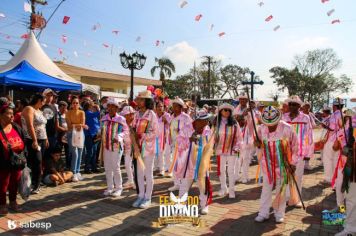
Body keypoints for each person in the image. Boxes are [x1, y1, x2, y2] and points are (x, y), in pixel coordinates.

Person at [254, 106, 299, 223]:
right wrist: (257, 143)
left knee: (281, 189)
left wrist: (293, 163)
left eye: (273, 123)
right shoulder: (261, 128)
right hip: (267, 164)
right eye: (268, 123)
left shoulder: (287, 129)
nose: (270, 125)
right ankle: (263, 213)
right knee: (266, 189)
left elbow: (295, 147)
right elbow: (258, 144)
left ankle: (279, 213)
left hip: (283, 165)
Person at [180, 109, 213, 215]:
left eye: (207, 119)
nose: (206, 122)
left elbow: (211, 145)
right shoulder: (186, 129)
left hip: (202, 162)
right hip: (188, 162)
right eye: (204, 120)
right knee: (184, 184)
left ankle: (204, 205)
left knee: (202, 184)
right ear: (197, 121)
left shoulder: (208, 130)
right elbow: (178, 143)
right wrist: (189, 140)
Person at [282, 95, 313, 208]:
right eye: (290, 104)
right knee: (285, 175)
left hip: (300, 152)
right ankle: (285, 198)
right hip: (285, 152)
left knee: (298, 176)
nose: (292, 106)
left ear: (299, 106)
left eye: (295, 104)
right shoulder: (283, 117)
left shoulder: (305, 118)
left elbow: (309, 135)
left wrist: (308, 153)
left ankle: (296, 199)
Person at [131, 91, 158, 209]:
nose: (139, 101)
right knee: (139, 173)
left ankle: (148, 197)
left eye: (141, 99)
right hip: (137, 147)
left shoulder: (151, 114)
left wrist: (142, 136)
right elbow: (133, 128)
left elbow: (156, 132)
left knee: (148, 173)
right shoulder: (136, 114)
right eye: (138, 99)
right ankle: (140, 195)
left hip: (148, 148)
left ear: (147, 101)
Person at [0, 98, 25, 215]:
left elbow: (24, 142)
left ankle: (13, 201)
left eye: (12, 113)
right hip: (3, 161)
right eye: (8, 114)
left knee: (15, 182)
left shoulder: (16, 127)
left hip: (17, 161)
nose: (11, 116)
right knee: (3, 184)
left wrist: (23, 156)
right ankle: (2, 204)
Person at [99, 97, 128, 197]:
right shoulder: (104, 118)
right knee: (107, 167)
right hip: (106, 146)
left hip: (116, 147)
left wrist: (119, 137)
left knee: (116, 167)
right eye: (109, 106)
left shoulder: (121, 119)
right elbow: (101, 129)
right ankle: (110, 187)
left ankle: (119, 188)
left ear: (116, 108)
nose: (110, 109)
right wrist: (99, 133)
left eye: (113, 107)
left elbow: (126, 131)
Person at [336, 102, 356, 236]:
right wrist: (346, 148)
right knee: (350, 196)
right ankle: (350, 227)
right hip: (352, 165)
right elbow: (345, 145)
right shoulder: (352, 123)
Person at [214, 103, 243, 198]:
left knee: (231, 170)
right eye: (224, 110)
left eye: (228, 110)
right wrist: (214, 139)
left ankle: (232, 190)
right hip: (220, 150)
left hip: (232, 150)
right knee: (221, 170)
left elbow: (239, 137)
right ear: (220, 111)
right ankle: (223, 188)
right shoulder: (216, 123)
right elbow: (211, 136)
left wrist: (237, 147)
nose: (226, 112)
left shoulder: (234, 123)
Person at [21, 94, 47, 194]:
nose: (44, 103)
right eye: (43, 101)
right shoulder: (29, 109)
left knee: (39, 162)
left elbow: (43, 126)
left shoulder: (39, 111)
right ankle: (35, 184)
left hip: (43, 139)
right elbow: (30, 125)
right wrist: (34, 140)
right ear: (39, 100)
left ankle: (37, 183)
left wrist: (46, 138)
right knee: (37, 161)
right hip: (33, 139)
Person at [167, 97, 194, 191]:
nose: (174, 108)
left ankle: (183, 184)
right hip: (174, 144)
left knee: (182, 164)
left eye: (176, 106)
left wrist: (181, 132)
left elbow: (191, 129)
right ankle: (176, 183)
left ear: (180, 107)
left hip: (183, 145)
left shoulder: (186, 117)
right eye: (173, 106)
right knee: (174, 163)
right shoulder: (171, 117)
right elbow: (169, 129)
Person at [233, 94, 257, 183]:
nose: (242, 101)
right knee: (238, 157)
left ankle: (244, 176)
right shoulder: (236, 109)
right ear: (239, 100)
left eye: (244, 100)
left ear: (247, 101)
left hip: (247, 136)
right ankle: (236, 176)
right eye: (241, 100)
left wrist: (249, 114)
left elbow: (254, 123)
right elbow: (234, 120)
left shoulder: (251, 110)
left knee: (246, 158)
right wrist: (242, 115)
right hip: (238, 137)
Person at [66, 96, 88, 182]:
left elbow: (82, 123)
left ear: (79, 104)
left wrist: (78, 125)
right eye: (73, 103)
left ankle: (78, 171)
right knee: (74, 153)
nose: (75, 104)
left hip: (80, 133)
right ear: (71, 104)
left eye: (77, 103)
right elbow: (69, 126)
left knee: (80, 152)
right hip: (71, 134)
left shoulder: (82, 112)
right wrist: (80, 125)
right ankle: (73, 172)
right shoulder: (68, 112)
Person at [120, 106, 136, 188]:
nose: (126, 116)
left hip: (136, 148)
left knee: (136, 165)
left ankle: (135, 182)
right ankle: (130, 180)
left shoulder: (136, 123)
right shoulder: (123, 123)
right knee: (127, 164)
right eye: (125, 115)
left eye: (128, 114)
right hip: (127, 148)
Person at [83, 101, 101, 174]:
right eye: (92, 105)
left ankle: (93, 167)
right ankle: (87, 168)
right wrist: (98, 109)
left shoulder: (91, 113)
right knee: (90, 152)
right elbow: (97, 113)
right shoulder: (87, 113)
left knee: (94, 152)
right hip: (89, 135)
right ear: (89, 106)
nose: (93, 106)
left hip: (95, 135)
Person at [42, 89, 59, 161]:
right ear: (44, 96)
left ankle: (49, 170)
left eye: (51, 96)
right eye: (48, 95)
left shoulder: (54, 107)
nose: (49, 97)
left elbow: (56, 120)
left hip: (53, 135)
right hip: (44, 135)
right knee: (43, 154)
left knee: (51, 154)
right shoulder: (41, 106)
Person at [155, 100, 171, 176]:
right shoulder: (154, 116)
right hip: (157, 138)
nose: (160, 108)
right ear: (155, 108)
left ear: (164, 108)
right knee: (160, 154)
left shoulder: (167, 115)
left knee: (167, 153)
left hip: (166, 137)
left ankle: (169, 169)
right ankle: (161, 169)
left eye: (161, 106)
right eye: (158, 106)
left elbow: (171, 125)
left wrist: (166, 122)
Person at [301, 102, 317, 170]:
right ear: (302, 107)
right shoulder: (300, 114)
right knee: (302, 149)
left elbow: (314, 124)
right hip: (302, 136)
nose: (307, 108)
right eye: (306, 106)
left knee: (309, 150)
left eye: (308, 107)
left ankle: (306, 165)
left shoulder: (311, 114)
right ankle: (301, 165)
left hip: (310, 135)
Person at [57, 101, 70, 169]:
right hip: (60, 135)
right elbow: (57, 127)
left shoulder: (67, 114)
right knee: (59, 152)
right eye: (63, 108)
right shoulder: (57, 115)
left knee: (68, 152)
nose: (64, 110)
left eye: (65, 108)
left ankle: (68, 166)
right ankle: (59, 166)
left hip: (67, 136)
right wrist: (65, 129)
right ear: (59, 108)